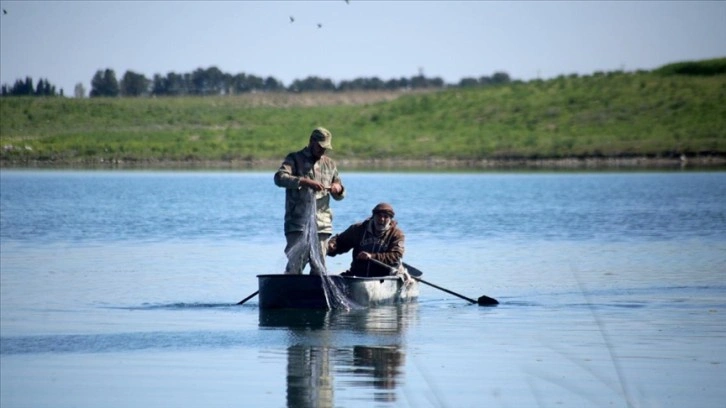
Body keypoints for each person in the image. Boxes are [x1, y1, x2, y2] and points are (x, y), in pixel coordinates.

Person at [274, 127, 345, 275]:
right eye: (320, 147)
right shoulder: (294, 159)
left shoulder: (330, 164)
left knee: (319, 267)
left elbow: (339, 190)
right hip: (298, 223)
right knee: (295, 265)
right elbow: (279, 178)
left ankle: (316, 295)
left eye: (325, 148)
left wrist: (338, 188)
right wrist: (304, 182)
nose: (322, 151)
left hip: (322, 224)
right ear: (311, 142)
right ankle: (289, 294)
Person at [327, 203, 405, 277]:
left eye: (385, 216)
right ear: (373, 216)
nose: (381, 219)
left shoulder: (396, 234)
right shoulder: (358, 229)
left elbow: (396, 255)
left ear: (390, 219)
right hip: (357, 274)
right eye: (379, 215)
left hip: (383, 277)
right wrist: (332, 246)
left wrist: (372, 256)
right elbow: (340, 241)